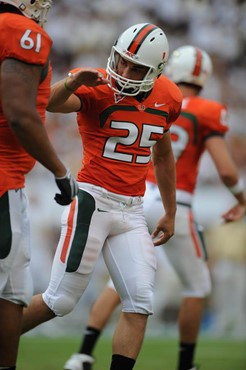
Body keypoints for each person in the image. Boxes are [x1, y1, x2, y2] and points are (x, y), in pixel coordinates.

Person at [63, 45, 246, 370]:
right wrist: (241, 198)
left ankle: (83, 353)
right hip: (172, 200)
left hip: (136, 196)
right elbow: (227, 170)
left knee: (119, 284)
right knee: (197, 285)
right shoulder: (206, 108)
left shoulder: (155, 96)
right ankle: (186, 363)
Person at [20, 23, 182, 370]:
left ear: (155, 71)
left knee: (140, 302)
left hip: (133, 211)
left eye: (135, 67)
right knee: (59, 300)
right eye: (122, 61)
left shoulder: (169, 96)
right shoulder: (95, 84)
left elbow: (164, 154)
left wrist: (170, 210)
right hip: (92, 203)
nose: (124, 71)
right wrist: (75, 82)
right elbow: (51, 103)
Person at [0, 1, 78, 368]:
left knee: (14, 294)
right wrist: (60, 170)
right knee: (9, 293)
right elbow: (19, 112)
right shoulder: (21, 31)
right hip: (2, 180)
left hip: (10, 180)